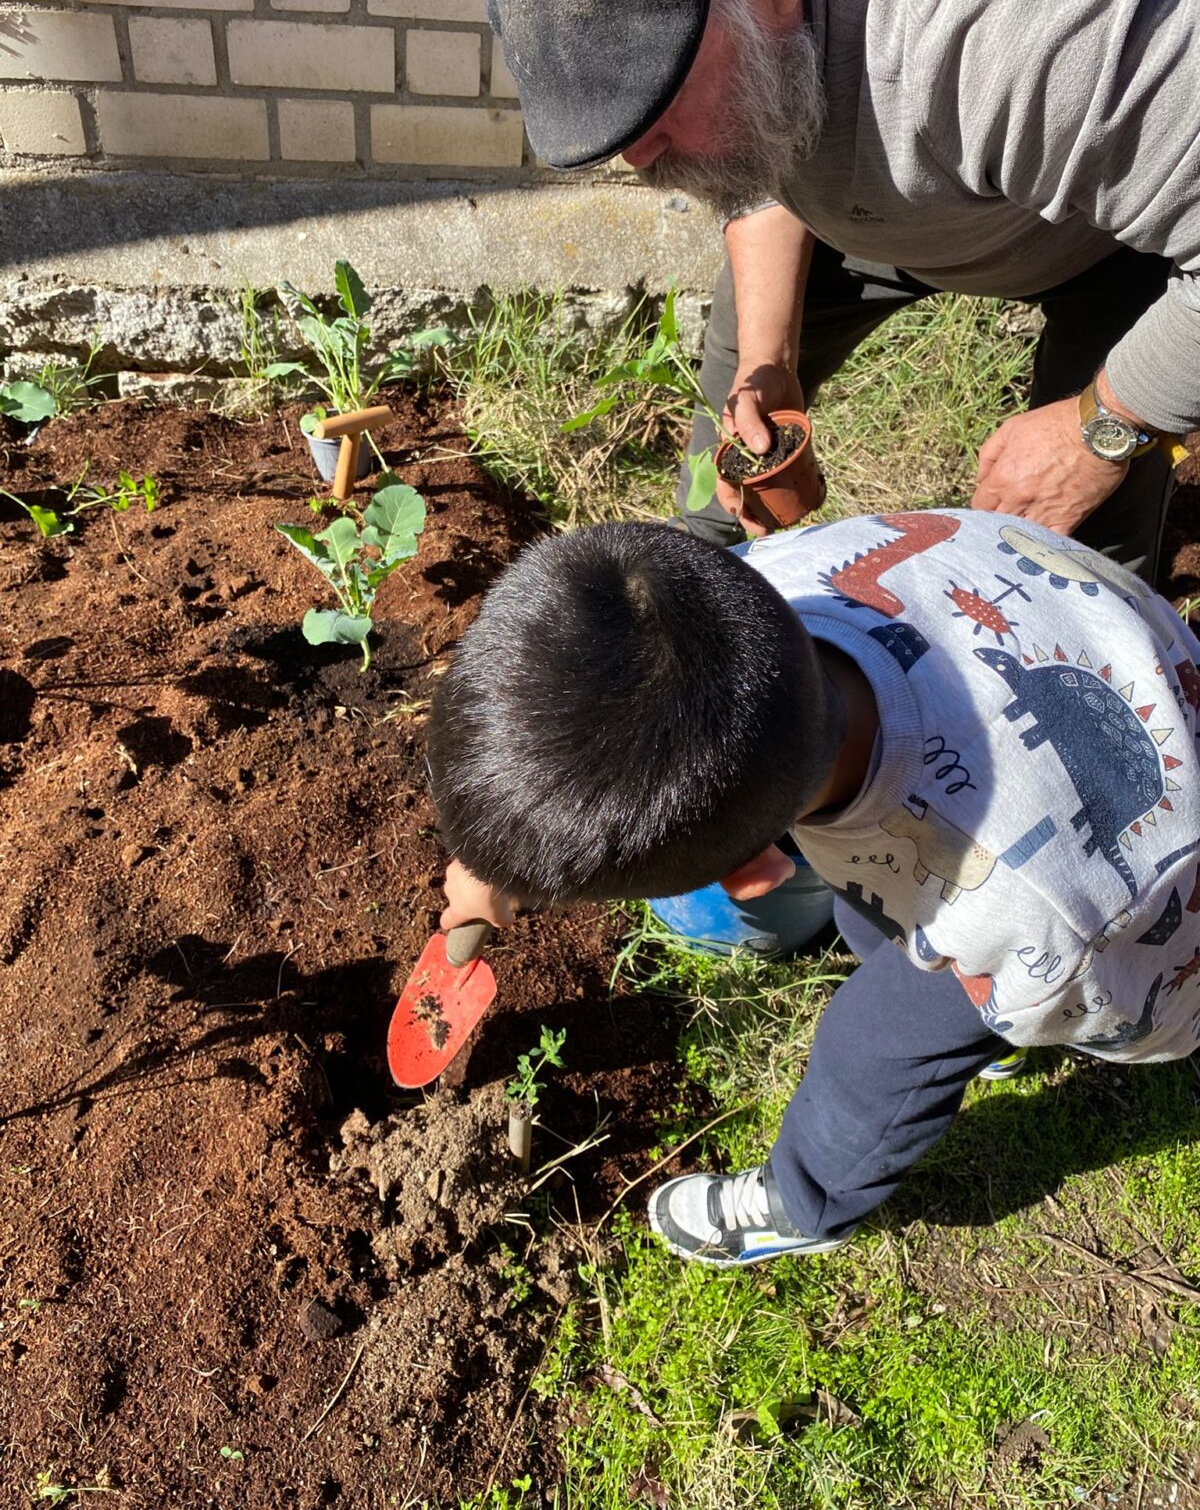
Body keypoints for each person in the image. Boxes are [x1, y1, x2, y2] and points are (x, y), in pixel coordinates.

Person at [429, 511, 1200, 1266]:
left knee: (875, 1044)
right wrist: (498, 864)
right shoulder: (769, 584)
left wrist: (1001, 1006)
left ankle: (807, 1203)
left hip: (1111, 921)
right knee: (879, 907)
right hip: (1107, 657)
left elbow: (1116, 1000)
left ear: (756, 874)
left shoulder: (1031, 917)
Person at [487, 0, 1200, 576]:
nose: (638, 157)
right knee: (731, 470)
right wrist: (769, 358)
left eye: (661, 95)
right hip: (881, 203)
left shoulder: (1011, 22)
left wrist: (1101, 429)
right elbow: (753, 140)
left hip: (1099, 244)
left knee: (1073, 554)